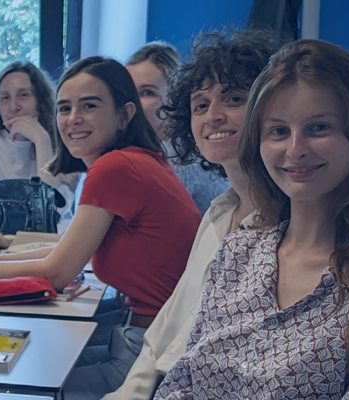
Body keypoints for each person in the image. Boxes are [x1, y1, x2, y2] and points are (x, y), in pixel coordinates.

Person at [155, 39, 349, 399]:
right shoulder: (237, 253)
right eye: (279, 131)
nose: (295, 149)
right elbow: (181, 381)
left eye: (319, 128)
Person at [0, 56, 201, 395]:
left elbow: (56, 273)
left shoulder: (116, 167)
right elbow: (62, 251)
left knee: (10, 388)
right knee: (25, 365)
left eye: (89, 106)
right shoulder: (135, 160)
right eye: (65, 108)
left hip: (147, 353)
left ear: (124, 115)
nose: (73, 119)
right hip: (144, 339)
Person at [104, 30, 281, 400]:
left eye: (234, 99)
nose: (213, 116)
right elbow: (168, 327)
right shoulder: (220, 213)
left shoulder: (288, 225)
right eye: (200, 105)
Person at [126, 41, 229, 215]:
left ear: (174, 100)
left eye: (147, 93)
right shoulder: (144, 151)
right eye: (128, 92)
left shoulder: (181, 154)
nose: (132, 103)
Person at [0, 60, 77, 213]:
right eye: (5, 98)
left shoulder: (61, 136)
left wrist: (42, 140)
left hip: (50, 230)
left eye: (23, 95)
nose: (13, 107)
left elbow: (55, 208)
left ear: (40, 101)